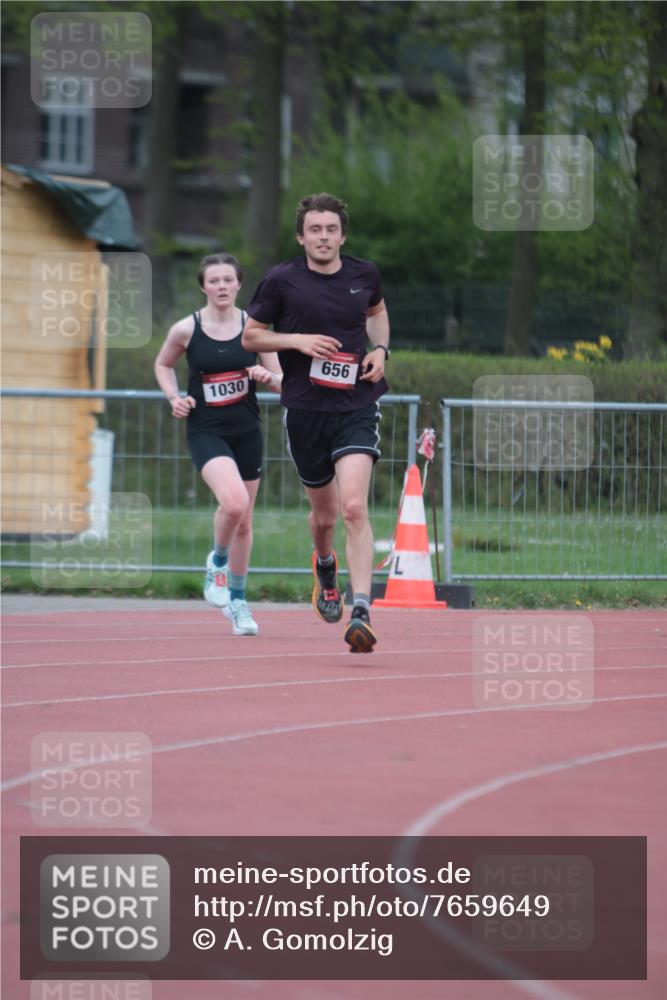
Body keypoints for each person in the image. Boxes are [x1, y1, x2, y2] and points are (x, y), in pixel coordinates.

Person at [242, 193, 390, 653]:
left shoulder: (364, 274)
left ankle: (361, 608)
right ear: (301, 236)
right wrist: (298, 341)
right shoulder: (281, 281)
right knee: (324, 518)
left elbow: (377, 313)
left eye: (331, 229)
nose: (323, 237)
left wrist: (381, 350)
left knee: (353, 509)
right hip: (305, 411)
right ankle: (325, 566)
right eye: (315, 230)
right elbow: (251, 336)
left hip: (356, 406)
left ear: (342, 235)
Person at [154, 253, 282, 635]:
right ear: (203, 286)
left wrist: (265, 374)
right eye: (214, 280)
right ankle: (217, 562)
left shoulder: (255, 330)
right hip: (205, 430)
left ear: (240, 284)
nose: (222, 286)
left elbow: (280, 379)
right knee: (235, 502)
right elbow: (163, 365)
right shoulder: (186, 329)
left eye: (228, 279)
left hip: (247, 431)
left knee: (245, 522)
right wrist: (174, 396)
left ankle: (239, 604)